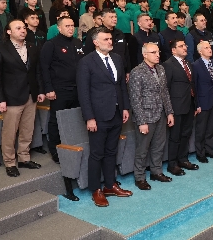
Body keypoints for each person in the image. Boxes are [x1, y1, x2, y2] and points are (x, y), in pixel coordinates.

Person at [77, 27, 132, 207]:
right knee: (97, 154)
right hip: (98, 115)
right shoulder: (86, 62)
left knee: (111, 151)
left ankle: (110, 185)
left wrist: (125, 107)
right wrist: (89, 117)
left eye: (111, 39)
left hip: (116, 113)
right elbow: (83, 92)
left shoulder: (117, 58)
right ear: (95, 42)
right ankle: (96, 189)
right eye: (106, 39)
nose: (110, 41)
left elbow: (121, 86)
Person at [0, 19, 45, 177]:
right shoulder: (0, 49)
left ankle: (24, 158)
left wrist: (40, 91)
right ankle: (9, 162)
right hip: (11, 97)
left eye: (24, 28)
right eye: (18, 28)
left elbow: (37, 71)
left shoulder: (32, 47)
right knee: (10, 132)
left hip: (31, 95)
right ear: (9, 32)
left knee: (27, 130)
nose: (23, 30)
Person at [128, 42, 175, 189]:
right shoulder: (137, 72)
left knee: (158, 146)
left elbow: (165, 92)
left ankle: (156, 172)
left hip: (161, 114)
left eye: (158, 52)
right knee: (142, 150)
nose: (157, 55)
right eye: (153, 52)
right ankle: (140, 177)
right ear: (145, 55)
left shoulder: (160, 69)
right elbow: (135, 99)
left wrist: (169, 112)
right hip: (146, 116)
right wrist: (141, 121)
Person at [40, 16, 84, 163]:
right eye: (67, 26)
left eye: (72, 26)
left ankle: (72, 146)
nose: (71, 28)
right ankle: (55, 150)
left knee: (75, 117)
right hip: (59, 89)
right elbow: (44, 67)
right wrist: (48, 88)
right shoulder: (51, 44)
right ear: (59, 28)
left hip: (77, 88)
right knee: (56, 120)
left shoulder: (77, 43)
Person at [162, 39, 199, 175]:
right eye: (181, 46)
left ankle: (183, 159)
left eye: (185, 45)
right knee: (175, 136)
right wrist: (169, 110)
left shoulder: (188, 63)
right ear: (173, 50)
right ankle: (172, 165)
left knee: (186, 134)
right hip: (176, 106)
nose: (185, 48)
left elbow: (192, 85)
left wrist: (195, 104)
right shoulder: (168, 64)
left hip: (189, 104)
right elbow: (166, 89)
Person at [192, 41, 213, 162]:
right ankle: (200, 153)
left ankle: (209, 150)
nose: (210, 50)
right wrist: (197, 104)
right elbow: (194, 86)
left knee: (211, 128)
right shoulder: (196, 65)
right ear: (200, 51)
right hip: (202, 101)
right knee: (201, 129)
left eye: (210, 47)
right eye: (206, 48)